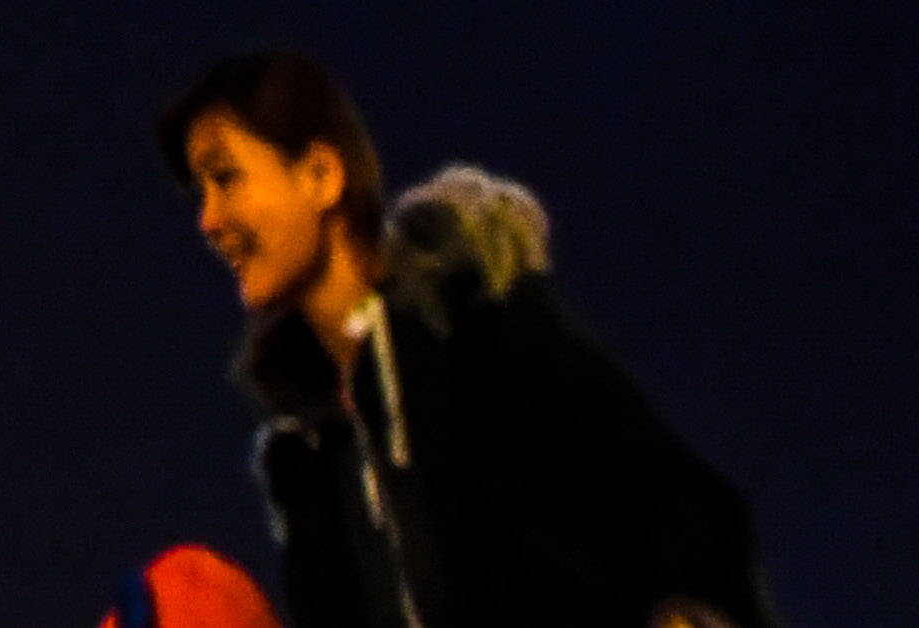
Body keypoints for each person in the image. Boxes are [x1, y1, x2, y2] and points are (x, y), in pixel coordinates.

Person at [162, 50, 766, 628]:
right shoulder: (309, 457)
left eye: (226, 178)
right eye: (201, 193)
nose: (209, 220)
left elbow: (687, 514)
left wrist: (684, 610)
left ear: (321, 175)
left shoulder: (474, 334)